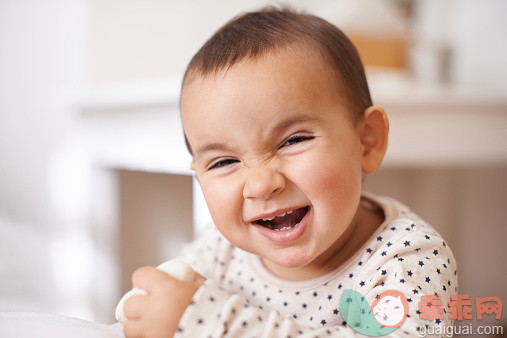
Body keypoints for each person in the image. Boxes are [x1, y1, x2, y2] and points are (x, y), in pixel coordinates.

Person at [121, 7, 457, 337]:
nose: (260, 184)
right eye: (223, 162)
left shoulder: (408, 256)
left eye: (292, 141)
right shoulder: (220, 251)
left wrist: (218, 324)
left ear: (366, 142)